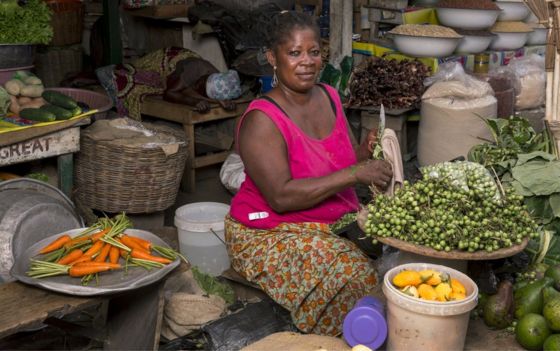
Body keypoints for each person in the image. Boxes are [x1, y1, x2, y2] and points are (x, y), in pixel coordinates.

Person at [225, 11, 393, 336]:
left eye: (313, 52)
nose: (307, 62)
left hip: (329, 219)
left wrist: (366, 152)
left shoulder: (330, 96)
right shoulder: (262, 119)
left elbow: (339, 163)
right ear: (273, 57)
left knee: (394, 258)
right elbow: (281, 196)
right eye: (294, 52)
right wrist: (357, 173)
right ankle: (345, 339)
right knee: (352, 276)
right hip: (268, 232)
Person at [96, 47, 240, 120]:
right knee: (126, 76)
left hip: (180, 66)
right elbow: (169, 93)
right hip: (162, 61)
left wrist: (224, 101)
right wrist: (194, 101)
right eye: (199, 85)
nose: (196, 88)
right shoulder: (193, 70)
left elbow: (216, 93)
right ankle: (96, 74)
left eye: (201, 90)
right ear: (204, 78)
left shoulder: (218, 79)